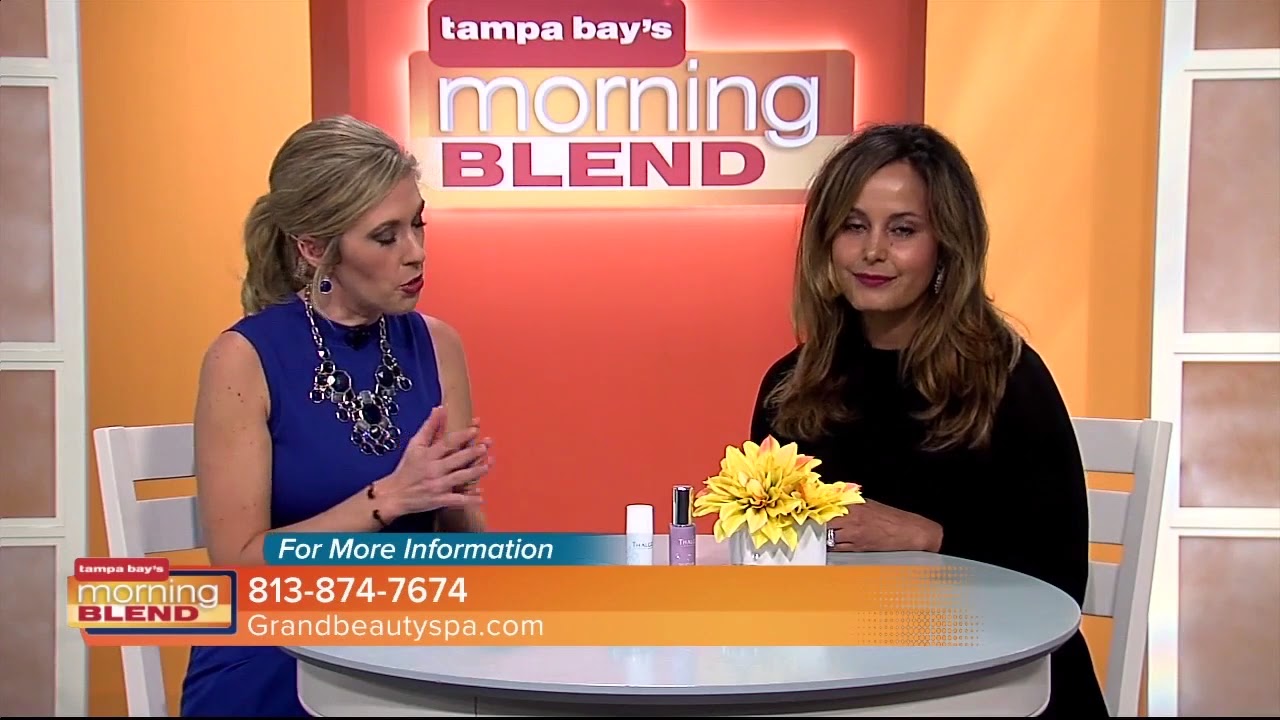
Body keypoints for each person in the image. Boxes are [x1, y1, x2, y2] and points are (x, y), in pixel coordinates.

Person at [749, 123, 1108, 717]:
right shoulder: (792, 385)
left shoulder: (1007, 377)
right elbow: (769, 553)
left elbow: (1059, 574)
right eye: (853, 226)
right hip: (843, 677)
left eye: (903, 230)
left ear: (947, 245)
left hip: (997, 678)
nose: (873, 251)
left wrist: (929, 538)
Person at [181, 115, 494, 717]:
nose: (415, 253)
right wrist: (387, 500)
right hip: (277, 647)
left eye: (418, 224)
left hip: (407, 638)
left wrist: (459, 507)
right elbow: (239, 564)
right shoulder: (242, 359)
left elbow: (461, 536)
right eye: (385, 237)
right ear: (314, 248)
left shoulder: (438, 344)